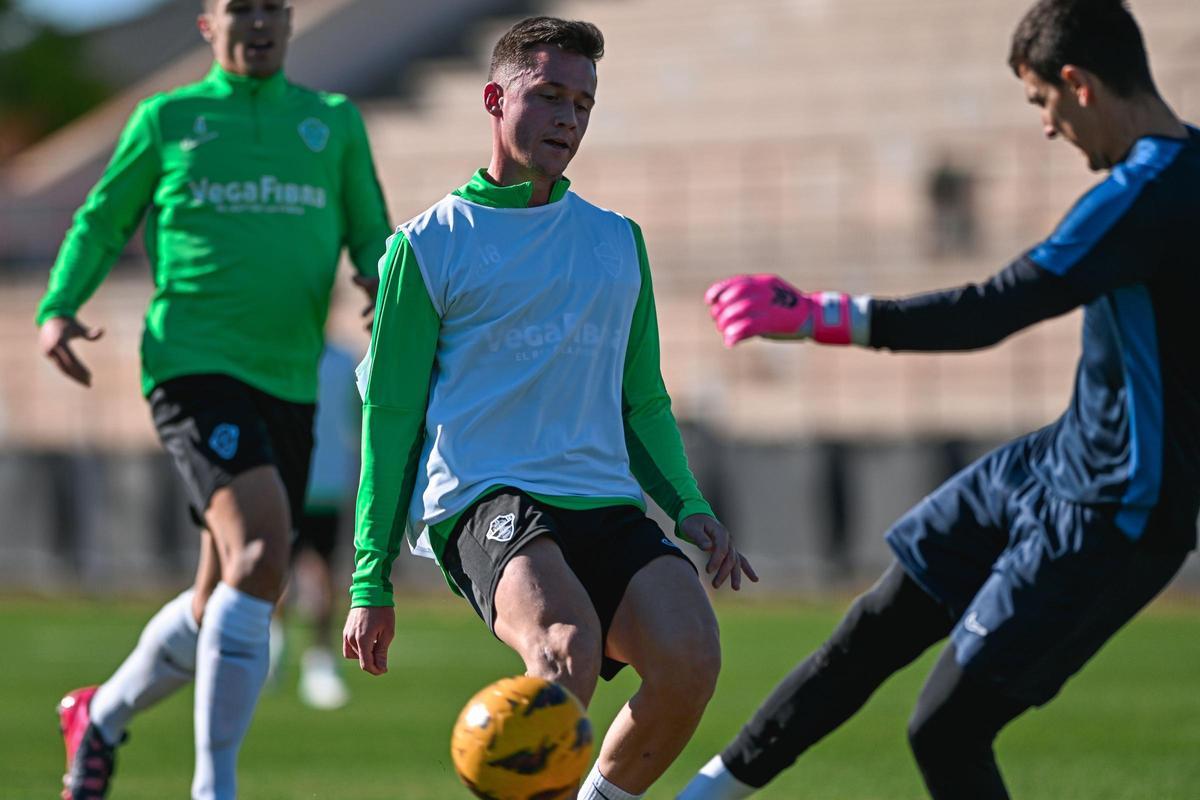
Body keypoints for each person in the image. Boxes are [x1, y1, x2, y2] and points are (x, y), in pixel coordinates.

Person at [680, 0, 1198, 797]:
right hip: (1049, 465)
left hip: (1113, 514)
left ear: (1078, 85)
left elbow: (997, 308)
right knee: (870, 630)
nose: (1048, 130)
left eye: (1042, 104)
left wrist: (822, 317)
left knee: (947, 726)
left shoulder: (1148, 191)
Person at [341, 16, 757, 800]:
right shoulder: (427, 245)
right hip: (485, 497)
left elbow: (642, 401)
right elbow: (389, 418)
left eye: (583, 103)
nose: (569, 117)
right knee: (564, 648)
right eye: (550, 95)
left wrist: (688, 505)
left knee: (691, 657)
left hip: (603, 499)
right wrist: (371, 581)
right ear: (496, 98)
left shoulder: (614, 240)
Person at [40, 0, 390, 796]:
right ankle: (215, 785)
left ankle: (98, 716)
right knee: (264, 552)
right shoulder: (170, 118)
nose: (258, 22)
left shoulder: (331, 122)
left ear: (292, 22)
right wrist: (59, 305)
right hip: (193, 365)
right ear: (208, 23)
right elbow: (101, 220)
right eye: (242, 9)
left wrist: (379, 280)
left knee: (219, 598)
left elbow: (369, 228)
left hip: (292, 378)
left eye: (274, 8)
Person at [270, 342, 360, 710]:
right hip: (280, 481)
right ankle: (272, 649)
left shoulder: (343, 362)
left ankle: (320, 662)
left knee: (321, 572)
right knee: (274, 573)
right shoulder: (275, 353)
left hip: (324, 485)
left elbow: (359, 421)